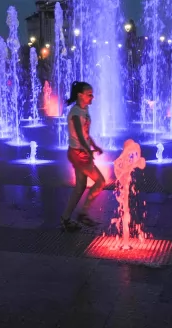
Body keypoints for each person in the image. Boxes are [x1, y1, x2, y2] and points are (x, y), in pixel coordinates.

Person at [60, 81, 105, 232]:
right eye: (89, 95)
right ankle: (83, 213)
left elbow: (86, 135)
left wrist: (94, 146)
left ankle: (66, 218)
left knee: (80, 187)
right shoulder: (76, 113)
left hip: (78, 152)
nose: (92, 97)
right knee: (100, 182)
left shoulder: (83, 110)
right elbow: (79, 135)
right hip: (79, 154)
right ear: (80, 95)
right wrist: (88, 151)